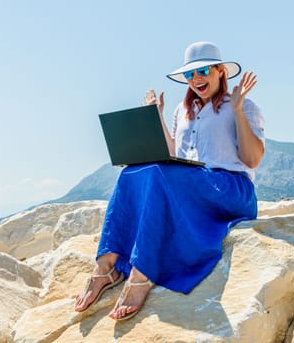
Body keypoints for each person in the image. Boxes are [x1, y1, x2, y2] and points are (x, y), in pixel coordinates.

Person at [74, 41, 265, 321]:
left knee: (159, 172)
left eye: (203, 71)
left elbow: (252, 160)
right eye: (190, 75)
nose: (196, 79)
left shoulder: (243, 105)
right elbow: (173, 155)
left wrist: (236, 111)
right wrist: (157, 117)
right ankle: (106, 266)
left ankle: (142, 272)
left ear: (220, 71)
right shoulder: (183, 110)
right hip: (194, 182)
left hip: (230, 188)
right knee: (132, 171)